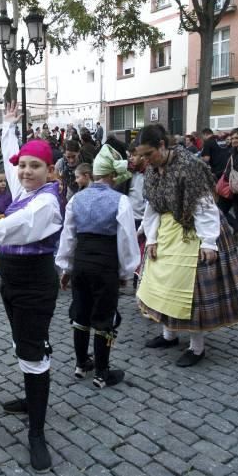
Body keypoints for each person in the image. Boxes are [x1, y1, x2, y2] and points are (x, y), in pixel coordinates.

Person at [0, 102, 63, 473]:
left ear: (50, 170)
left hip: (34, 282)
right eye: (23, 166)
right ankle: (31, 399)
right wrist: (7, 127)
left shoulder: (47, 202)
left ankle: (37, 432)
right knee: (23, 343)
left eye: (34, 166)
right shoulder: (23, 188)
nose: (25, 171)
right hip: (12, 279)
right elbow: (8, 157)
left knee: (33, 350)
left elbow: (23, 224)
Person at [136, 125, 238, 367]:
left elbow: (204, 205)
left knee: (191, 292)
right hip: (167, 232)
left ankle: (197, 348)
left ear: (163, 146)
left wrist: (208, 242)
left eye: (149, 154)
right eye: (142, 155)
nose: (145, 160)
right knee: (164, 283)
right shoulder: (154, 170)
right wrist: (152, 238)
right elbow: (152, 205)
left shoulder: (190, 166)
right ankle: (169, 335)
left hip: (193, 230)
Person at [56, 145, 139, 389]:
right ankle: (102, 372)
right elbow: (126, 240)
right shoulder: (120, 201)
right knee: (104, 316)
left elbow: (68, 236)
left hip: (81, 262)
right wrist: (125, 272)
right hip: (105, 264)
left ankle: (81, 363)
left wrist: (66, 269)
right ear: (112, 176)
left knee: (81, 312)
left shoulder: (76, 199)